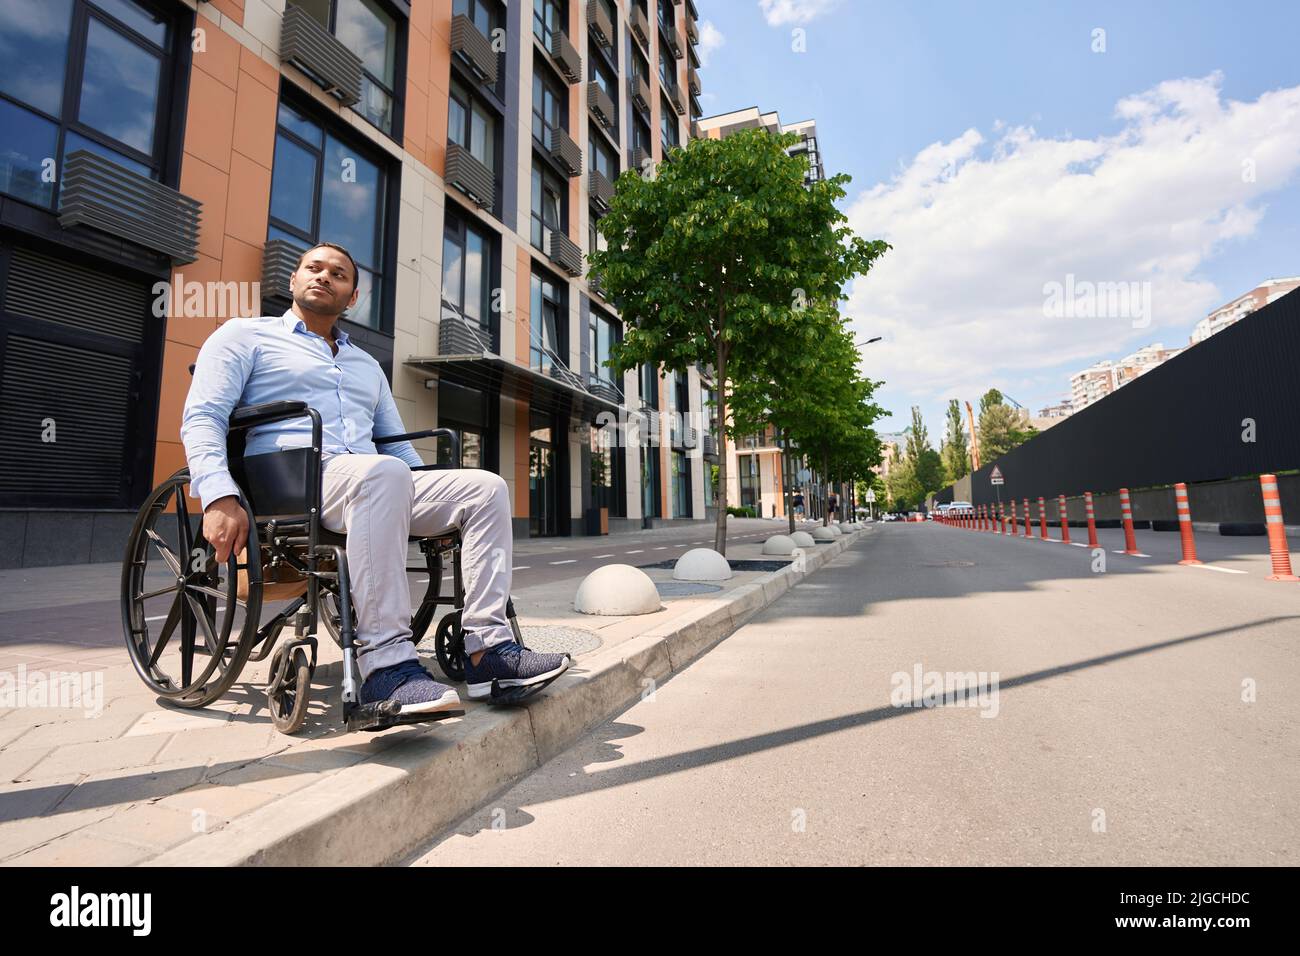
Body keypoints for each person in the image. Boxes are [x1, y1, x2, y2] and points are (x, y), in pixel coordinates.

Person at [181, 242, 569, 717]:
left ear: (353, 296)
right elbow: (203, 416)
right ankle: (386, 667)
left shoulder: (366, 365)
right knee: (383, 473)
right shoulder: (243, 336)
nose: (324, 277)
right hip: (288, 478)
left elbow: (396, 445)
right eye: (314, 268)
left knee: (485, 487)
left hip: (368, 478)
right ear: (293, 280)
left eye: (338, 274)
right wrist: (218, 494)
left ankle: (489, 651)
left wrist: (436, 501)